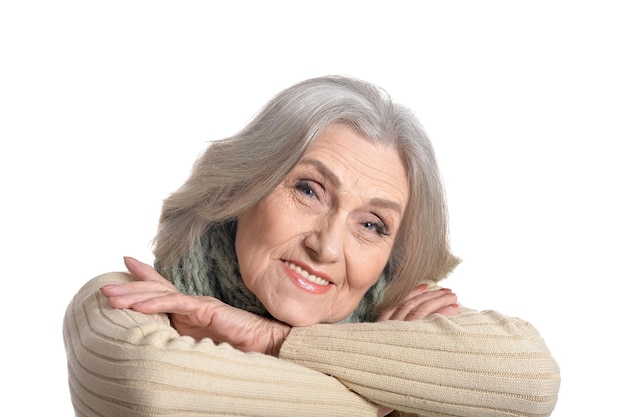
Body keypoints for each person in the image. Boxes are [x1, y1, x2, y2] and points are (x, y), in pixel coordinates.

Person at [63, 75, 560, 417]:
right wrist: (383, 399)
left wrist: (274, 340)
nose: (327, 247)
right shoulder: (128, 299)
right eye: (308, 190)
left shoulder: (401, 316)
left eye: (372, 225)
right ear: (244, 189)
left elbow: (531, 381)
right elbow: (155, 389)